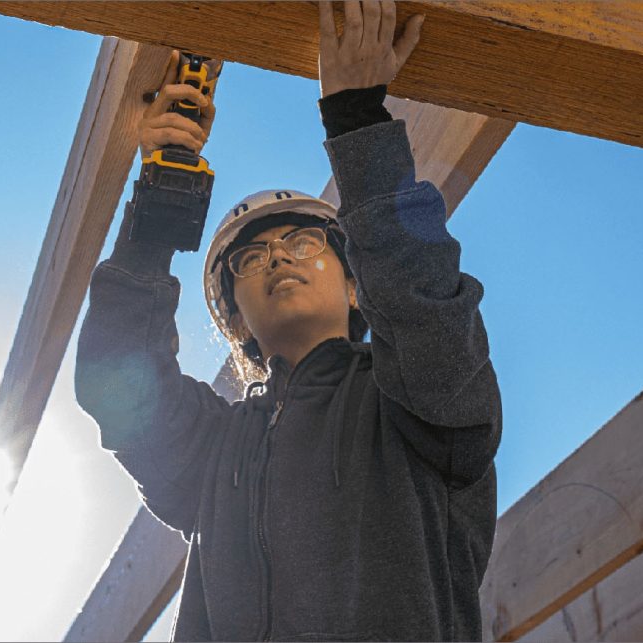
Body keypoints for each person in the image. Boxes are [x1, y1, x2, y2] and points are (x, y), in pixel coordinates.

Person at [75, 1, 500, 639]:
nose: (276, 254)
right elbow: (116, 381)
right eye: (249, 258)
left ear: (358, 288)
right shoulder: (212, 452)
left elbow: (423, 298)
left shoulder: (420, 408)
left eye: (304, 243)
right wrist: (161, 195)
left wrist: (357, 117)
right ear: (238, 323)